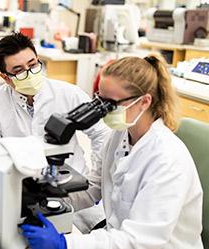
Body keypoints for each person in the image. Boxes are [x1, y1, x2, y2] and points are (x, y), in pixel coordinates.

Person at [21, 55, 204, 249]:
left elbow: (141, 241)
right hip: (118, 238)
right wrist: (47, 201)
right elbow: (94, 187)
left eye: (111, 104)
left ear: (144, 102)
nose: (103, 111)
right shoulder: (118, 136)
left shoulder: (167, 159)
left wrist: (65, 243)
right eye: (100, 100)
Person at [0, 32, 110, 178]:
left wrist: (96, 179)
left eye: (33, 65)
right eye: (19, 71)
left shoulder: (68, 93)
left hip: (70, 182)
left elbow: (101, 134)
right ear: (6, 78)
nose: (30, 74)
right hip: (21, 183)